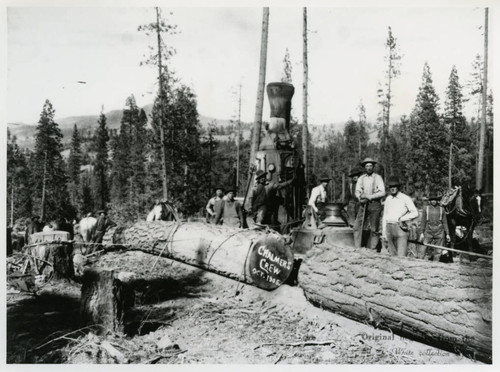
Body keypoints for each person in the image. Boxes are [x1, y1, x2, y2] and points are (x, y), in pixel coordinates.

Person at [381, 176, 419, 257]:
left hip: (400, 229)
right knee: (392, 256)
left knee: (401, 256)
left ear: (398, 187)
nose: (392, 188)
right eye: (391, 187)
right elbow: (385, 216)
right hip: (389, 228)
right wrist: (384, 232)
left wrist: (402, 218)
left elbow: (415, 212)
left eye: (394, 186)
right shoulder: (388, 199)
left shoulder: (405, 198)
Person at [353, 158, 386, 249]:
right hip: (363, 204)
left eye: (370, 166)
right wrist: (360, 198)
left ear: (373, 167)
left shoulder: (377, 177)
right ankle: (357, 247)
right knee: (357, 226)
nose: (369, 168)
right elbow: (357, 191)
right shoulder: (361, 178)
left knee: (374, 228)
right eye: (367, 166)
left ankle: (373, 249)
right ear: (364, 167)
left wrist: (370, 196)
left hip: (374, 204)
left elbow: (382, 192)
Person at [419, 192, 450, 261]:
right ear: (430, 201)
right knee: (423, 248)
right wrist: (421, 233)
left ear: (437, 200)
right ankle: (420, 262)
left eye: (435, 200)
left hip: (439, 231)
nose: (433, 201)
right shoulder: (426, 209)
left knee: (438, 250)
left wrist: (447, 234)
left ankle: (436, 263)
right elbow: (423, 222)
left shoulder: (442, 209)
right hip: (428, 230)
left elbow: (445, 222)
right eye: (432, 200)